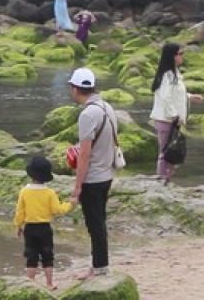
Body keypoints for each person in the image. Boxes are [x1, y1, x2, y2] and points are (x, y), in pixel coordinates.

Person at [68, 67, 117, 279]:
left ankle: (98, 268)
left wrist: (77, 186)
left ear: (75, 89)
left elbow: (85, 155)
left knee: (94, 224)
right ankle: (99, 265)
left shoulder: (88, 114)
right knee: (99, 222)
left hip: (93, 177)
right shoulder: (107, 107)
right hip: (107, 173)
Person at [14, 156, 75, 290]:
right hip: (45, 228)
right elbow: (57, 209)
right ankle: (49, 284)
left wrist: (18, 225)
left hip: (29, 228)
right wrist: (70, 204)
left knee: (31, 256)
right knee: (47, 256)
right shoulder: (49, 193)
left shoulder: (24, 191)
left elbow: (20, 211)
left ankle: (30, 283)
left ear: (31, 174)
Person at [149, 44, 203, 185]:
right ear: (172, 56)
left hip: (173, 120)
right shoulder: (167, 75)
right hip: (166, 120)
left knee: (172, 151)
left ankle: (167, 179)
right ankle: (161, 180)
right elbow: (165, 97)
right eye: (180, 53)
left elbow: (176, 94)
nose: (182, 55)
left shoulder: (175, 73)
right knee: (165, 152)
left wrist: (190, 96)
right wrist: (175, 115)